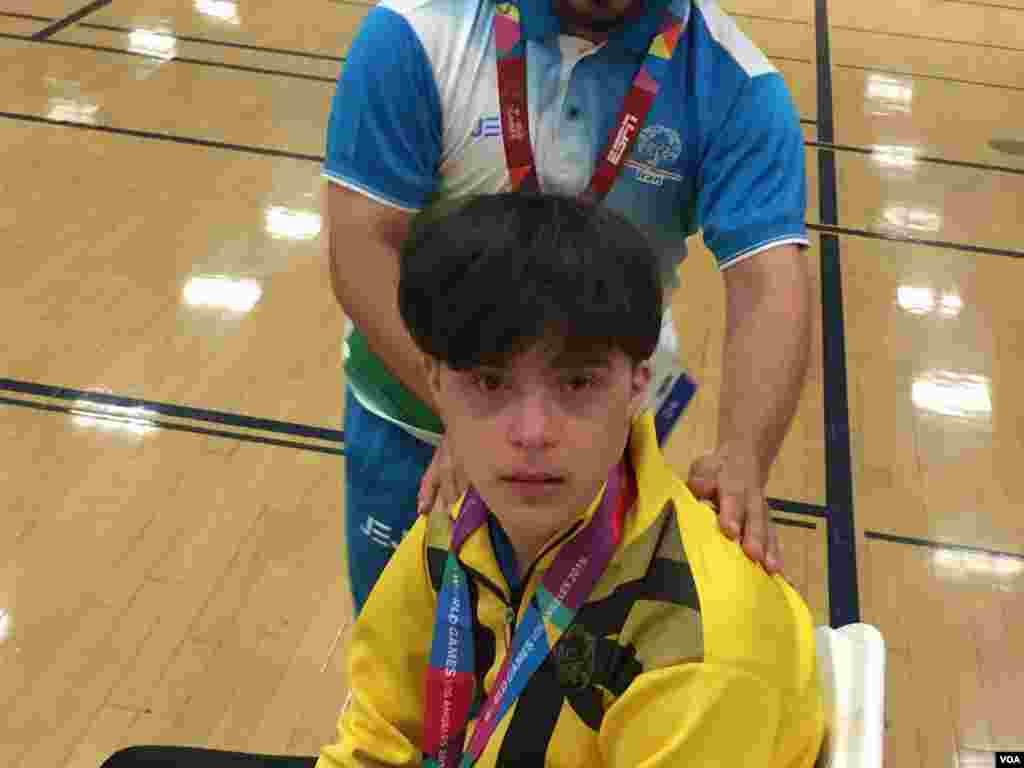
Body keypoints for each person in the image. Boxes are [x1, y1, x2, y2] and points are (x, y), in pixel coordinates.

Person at [325, 0, 813, 614]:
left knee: (570, 678)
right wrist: (464, 411)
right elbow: (361, 244)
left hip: (594, 434)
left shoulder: (737, 86)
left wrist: (744, 454)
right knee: (410, 663)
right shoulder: (414, 31)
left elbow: (769, 283)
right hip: (412, 419)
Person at [320, 193, 825, 768]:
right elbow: (376, 734)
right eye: (489, 383)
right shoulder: (458, 528)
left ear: (639, 385)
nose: (532, 433)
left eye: (578, 384)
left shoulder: (699, 646)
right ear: (434, 382)